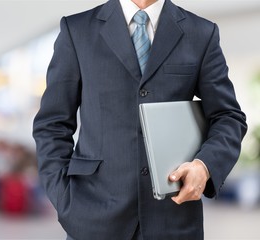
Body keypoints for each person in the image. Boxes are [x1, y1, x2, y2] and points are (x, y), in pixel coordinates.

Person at [32, 0, 247, 239]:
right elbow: (52, 124)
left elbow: (228, 117)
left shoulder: (201, 33)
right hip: (93, 217)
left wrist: (203, 166)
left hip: (173, 219)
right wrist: (64, 199)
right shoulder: (77, 30)